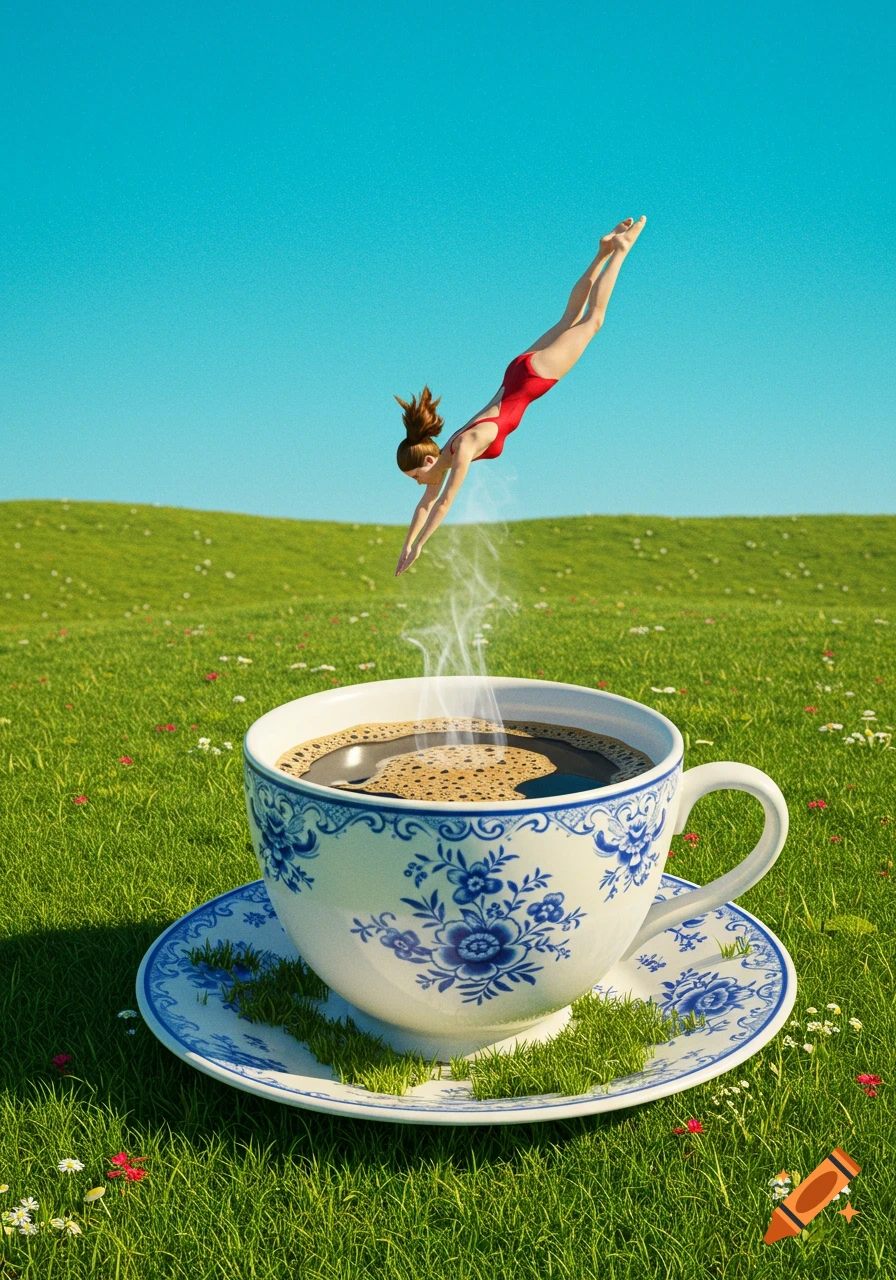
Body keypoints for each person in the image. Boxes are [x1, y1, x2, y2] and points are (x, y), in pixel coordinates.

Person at [393, 216, 646, 576]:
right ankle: (603, 250)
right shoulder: (446, 454)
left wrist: (420, 546)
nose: (419, 486)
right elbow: (426, 504)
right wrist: (407, 545)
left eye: (416, 478)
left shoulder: (461, 449)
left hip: (531, 379)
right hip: (517, 373)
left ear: (428, 464)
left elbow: (445, 501)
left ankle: (619, 251)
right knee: (569, 318)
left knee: (593, 320)